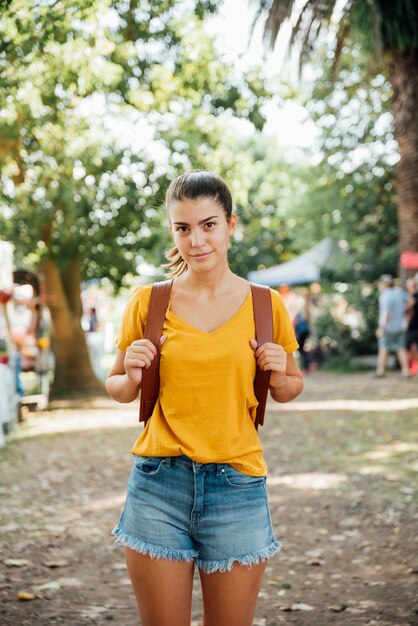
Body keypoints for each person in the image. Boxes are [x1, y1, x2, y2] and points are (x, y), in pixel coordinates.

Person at [106, 170, 303, 626]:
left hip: (237, 486)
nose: (196, 240)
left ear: (231, 224)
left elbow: (291, 386)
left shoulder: (265, 304)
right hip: (159, 484)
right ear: (173, 231)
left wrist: (277, 375)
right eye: (183, 228)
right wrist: (132, 373)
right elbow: (116, 388)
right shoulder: (148, 302)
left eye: (208, 224)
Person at [375, 274, 409, 377]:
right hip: (401, 326)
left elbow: (386, 312)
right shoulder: (399, 292)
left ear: (384, 284)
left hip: (388, 327)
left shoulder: (385, 295)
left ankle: (380, 371)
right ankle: (406, 371)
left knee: (383, 348)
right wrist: (404, 312)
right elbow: (412, 301)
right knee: (401, 348)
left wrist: (381, 328)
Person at [406, 273, 418, 375]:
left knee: (409, 346)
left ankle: (414, 366)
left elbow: (408, 311)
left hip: (414, 325)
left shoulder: (412, 297)